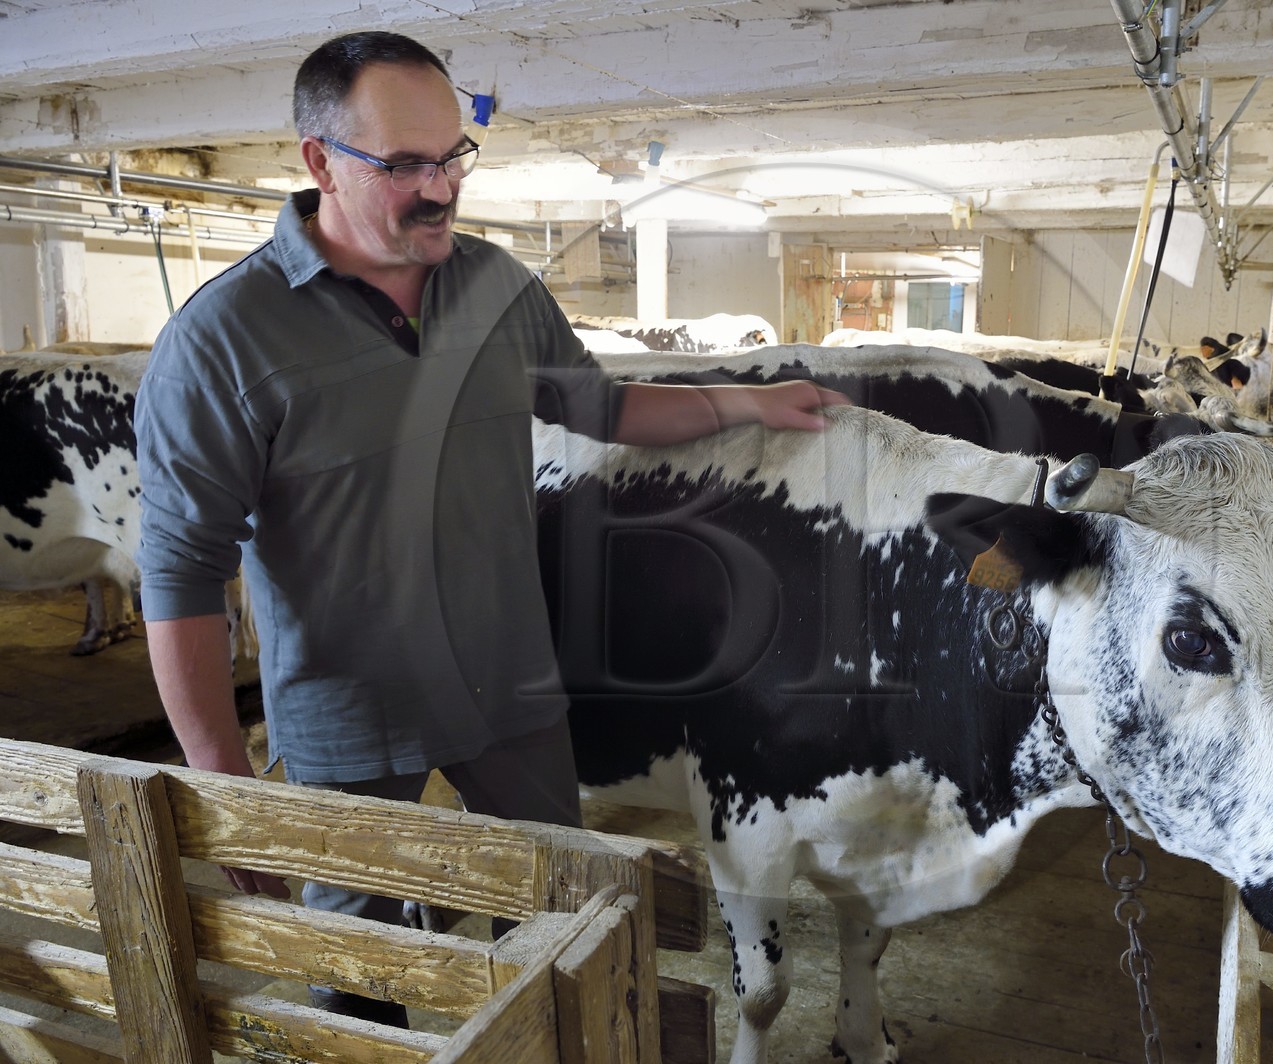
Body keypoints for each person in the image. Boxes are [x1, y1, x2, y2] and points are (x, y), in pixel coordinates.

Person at [134, 30, 846, 1026]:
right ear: (318, 162)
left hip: (507, 682)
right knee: (358, 963)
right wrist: (223, 781)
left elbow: (600, 408)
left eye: (453, 155)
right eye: (405, 165)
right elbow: (177, 567)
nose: (440, 188)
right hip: (346, 714)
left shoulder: (498, 288)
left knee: (560, 920)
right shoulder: (222, 339)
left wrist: (744, 403)